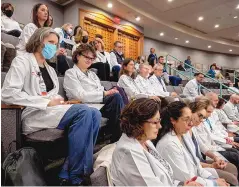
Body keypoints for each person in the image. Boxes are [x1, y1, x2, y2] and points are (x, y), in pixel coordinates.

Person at [1, 27, 100, 185]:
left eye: (56, 43)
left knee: (95, 113)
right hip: (33, 114)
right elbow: (7, 93)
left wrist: (58, 100)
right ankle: (76, 176)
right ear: (38, 41)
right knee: (84, 112)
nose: (53, 46)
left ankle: (69, 171)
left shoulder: (51, 70)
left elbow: (51, 94)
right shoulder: (22, 61)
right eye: (50, 42)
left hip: (51, 112)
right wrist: (45, 102)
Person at [110, 98, 202, 186]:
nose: (160, 126)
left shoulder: (145, 142)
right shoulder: (129, 152)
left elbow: (164, 180)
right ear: (138, 123)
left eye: (159, 121)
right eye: (155, 122)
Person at [155, 101, 229, 186]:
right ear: (173, 120)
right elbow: (186, 178)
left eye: (190, 119)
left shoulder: (183, 135)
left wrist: (212, 178)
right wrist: (213, 183)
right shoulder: (169, 145)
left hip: (198, 179)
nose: (190, 124)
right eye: (186, 120)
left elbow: (196, 164)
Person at [64, 44, 124, 142]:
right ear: (78, 56)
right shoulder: (71, 73)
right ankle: (117, 138)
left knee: (117, 97)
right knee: (116, 98)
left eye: (92, 59)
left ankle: (117, 137)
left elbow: (100, 89)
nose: (89, 60)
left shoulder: (92, 74)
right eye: (86, 57)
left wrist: (106, 93)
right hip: (84, 106)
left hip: (98, 103)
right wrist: (105, 94)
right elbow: (79, 96)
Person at [188, 101, 238, 185]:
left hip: (205, 156)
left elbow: (202, 145)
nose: (201, 120)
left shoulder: (195, 126)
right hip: (199, 164)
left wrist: (215, 158)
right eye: (200, 116)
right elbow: (191, 166)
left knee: (233, 161)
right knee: (233, 162)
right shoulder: (188, 130)